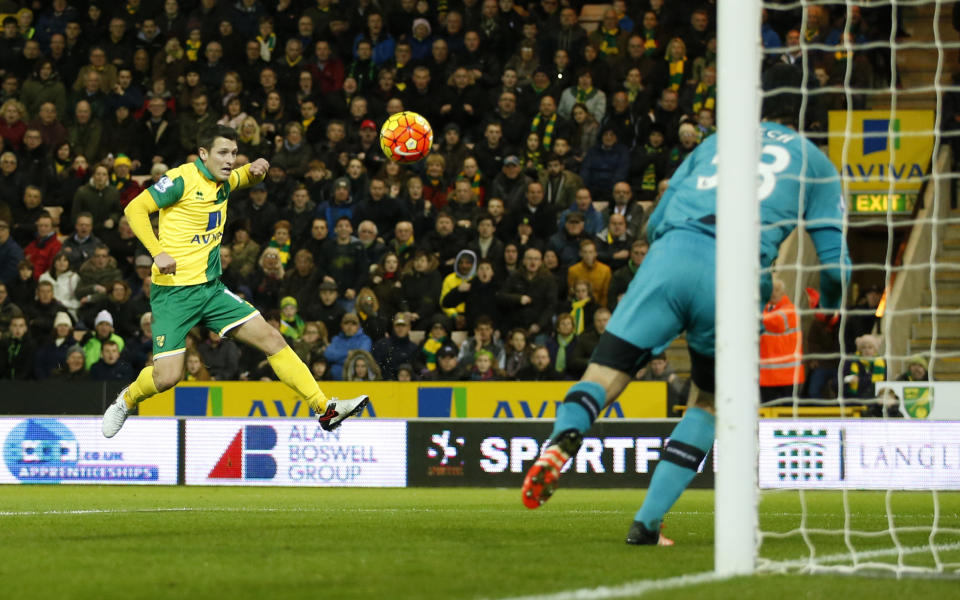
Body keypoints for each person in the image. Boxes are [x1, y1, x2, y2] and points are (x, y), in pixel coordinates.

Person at [521, 65, 850, 546]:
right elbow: (836, 267)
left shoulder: (716, 142)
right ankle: (647, 523)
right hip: (735, 276)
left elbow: (655, 221)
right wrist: (831, 310)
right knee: (709, 401)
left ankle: (560, 442)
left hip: (670, 256)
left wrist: (664, 254)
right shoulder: (816, 164)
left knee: (603, 374)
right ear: (811, 121)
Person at [101, 125, 367, 437]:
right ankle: (126, 400)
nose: (230, 160)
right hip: (173, 294)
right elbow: (135, 208)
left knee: (273, 339)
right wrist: (157, 253)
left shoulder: (224, 179)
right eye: (223, 153)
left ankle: (325, 410)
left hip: (211, 290)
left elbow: (245, 177)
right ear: (203, 154)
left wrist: (257, 170)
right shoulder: (182, 178)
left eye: (234, 153)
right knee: (167, 377)